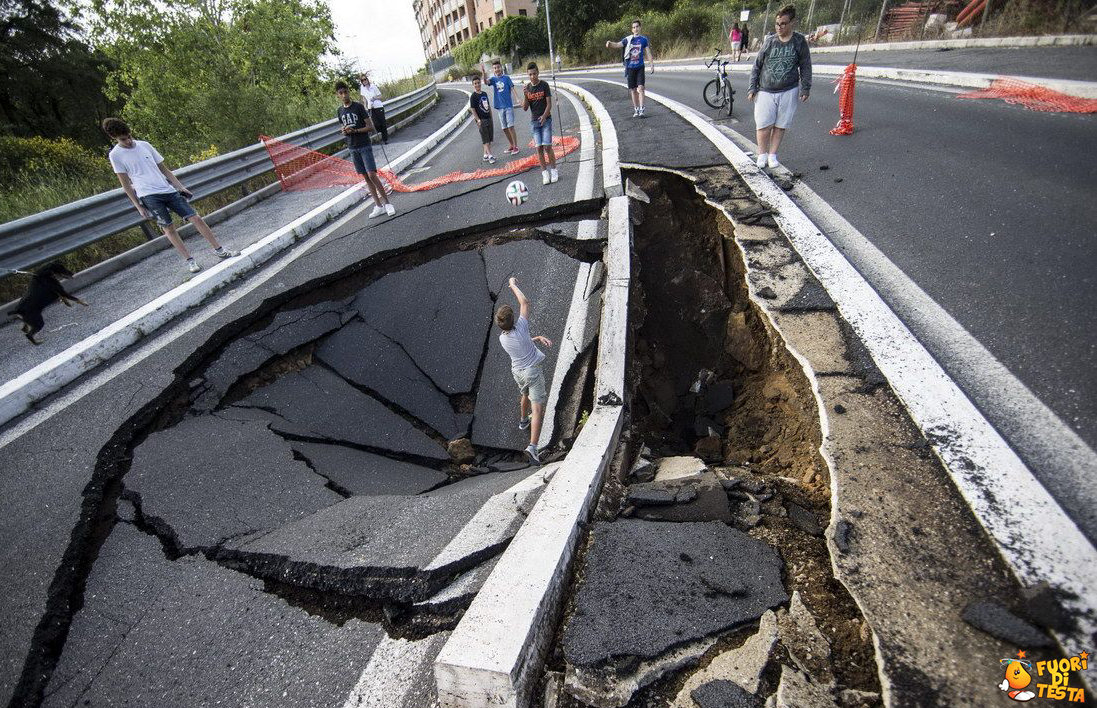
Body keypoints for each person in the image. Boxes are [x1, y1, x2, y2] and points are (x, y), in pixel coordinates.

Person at [103, 118, 237, 274]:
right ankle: (190, 261)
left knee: (196, 218)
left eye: (129, 136)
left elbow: (164, 169)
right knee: (169, 228)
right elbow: (125, 184)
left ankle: (219, 249)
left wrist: (180, 187)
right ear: (115, 138)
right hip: (148, 195)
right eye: (123, 139)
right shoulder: (115, 155)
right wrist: (138, 206)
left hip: (168, 190)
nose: (128, 141)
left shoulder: (145, 145)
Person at [496, 276, 553, 464]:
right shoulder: (521, 326)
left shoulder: (503, 339)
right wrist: (513, 285)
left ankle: (523, 421)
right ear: (515, 320)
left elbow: (523, 344)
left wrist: (537, 338)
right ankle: (533, 448)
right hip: (532, 372)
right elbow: (525, 301)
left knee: (524, 394)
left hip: (518, 372)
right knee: (537, 408)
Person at [747, 4, 811, 170]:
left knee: (780, 125)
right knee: (763, 125)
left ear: (791, 23)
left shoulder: (799, 41)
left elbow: (805, 65)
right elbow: (757, 65)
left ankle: (772, 154)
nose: (779, 27)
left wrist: (805, 87)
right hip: (766, 89)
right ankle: (762, 154)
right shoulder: (770, 42)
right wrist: (752, 87)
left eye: (783, 23)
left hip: (788, 89)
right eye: (777, 24)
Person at [336, 81, 395, 218]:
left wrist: (355, 130)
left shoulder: (358, 107)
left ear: (349, 92)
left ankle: (387, 203)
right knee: (365, 177)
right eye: (341, 93)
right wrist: (344, 131)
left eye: (345, 92)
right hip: (352, 147)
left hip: (364, 145)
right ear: (337, 95)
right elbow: (342, 126)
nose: (344, 95)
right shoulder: (340, 111)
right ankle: (378, 205)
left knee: (372, 174)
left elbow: (370, 127)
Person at [605, 19, 653, 118]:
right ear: (632, 29)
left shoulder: (644, 40)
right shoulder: (628, 39)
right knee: (633, 90)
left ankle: (642, 109)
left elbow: (648, 53)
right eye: (634, 27)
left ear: (640, 28)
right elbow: (618, 44)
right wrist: (610, 43)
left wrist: (651, 64)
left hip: (640, 67)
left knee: (641, 88)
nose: (635, 29)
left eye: (637, 27)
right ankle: (636, 109)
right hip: (630, 68)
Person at [522, 62, 558, 185]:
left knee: (548, 146)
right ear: (528, 75)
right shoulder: (527, 88)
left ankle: (554, 170)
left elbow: (549, 104)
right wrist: (525, 95)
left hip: (546, 119)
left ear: (538, 72)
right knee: (539, 148)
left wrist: (544, 116)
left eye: (534, 74)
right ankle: (544, 174)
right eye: (530, 74)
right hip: (534, 121)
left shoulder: (544, 85)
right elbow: (525, 108)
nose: (532, 76)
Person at [484, 60, 520, 155]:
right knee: (504, 128)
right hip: (499, 107)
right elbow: (485, 82)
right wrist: (484, 73)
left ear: (501, 68)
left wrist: (517, 98)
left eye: (498, 67)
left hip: (508, 106)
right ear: (493, 69)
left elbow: (512, 88)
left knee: (510, 126)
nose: (497, 69)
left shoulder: (506, 78)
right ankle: (511, 145)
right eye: (495, 68)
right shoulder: (493, 80)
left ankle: (516, 147)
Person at [469, 76, 496, 164]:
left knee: (489, 137)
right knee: (485, 139)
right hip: (481, 120)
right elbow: (473, 109)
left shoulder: (484, 94)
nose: (477, 85)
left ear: (480, 83)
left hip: (488, 118)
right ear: (473, 85)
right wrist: (478, 120)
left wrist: (491, 116)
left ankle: (485, 155)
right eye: (475, 83)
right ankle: (490, 155)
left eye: (478, 83)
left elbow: (488, 105)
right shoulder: (473, 96)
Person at [358, 73, 388, 144]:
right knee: (376, 124)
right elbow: (364, 99)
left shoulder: (373, 86)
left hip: (378, 106)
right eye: (362, 80)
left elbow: (380, 96)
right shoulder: (362, 89)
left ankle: (385, 139)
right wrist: (365, 107)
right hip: (370, 108)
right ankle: (381, 132)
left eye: (365, 79)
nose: (364, 81)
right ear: (361, 82)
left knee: (382, 123)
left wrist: (374, 98)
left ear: (367, 79)